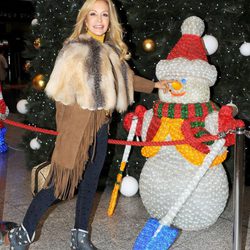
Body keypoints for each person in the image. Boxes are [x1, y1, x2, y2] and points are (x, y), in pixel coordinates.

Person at [5, 0, 169, 249]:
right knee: (57, 184)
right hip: (77, 130)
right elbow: (61, 98)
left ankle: (80, 236)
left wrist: (155, 86)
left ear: (110, 19)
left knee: (91, 182)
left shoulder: (111, 50)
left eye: (104, 14)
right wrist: (69, 135)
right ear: (84, 18)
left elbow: (126, 77)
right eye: (93, 14)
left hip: (100, 128)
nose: (99, 19)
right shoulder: (75, 50)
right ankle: (23, 234)